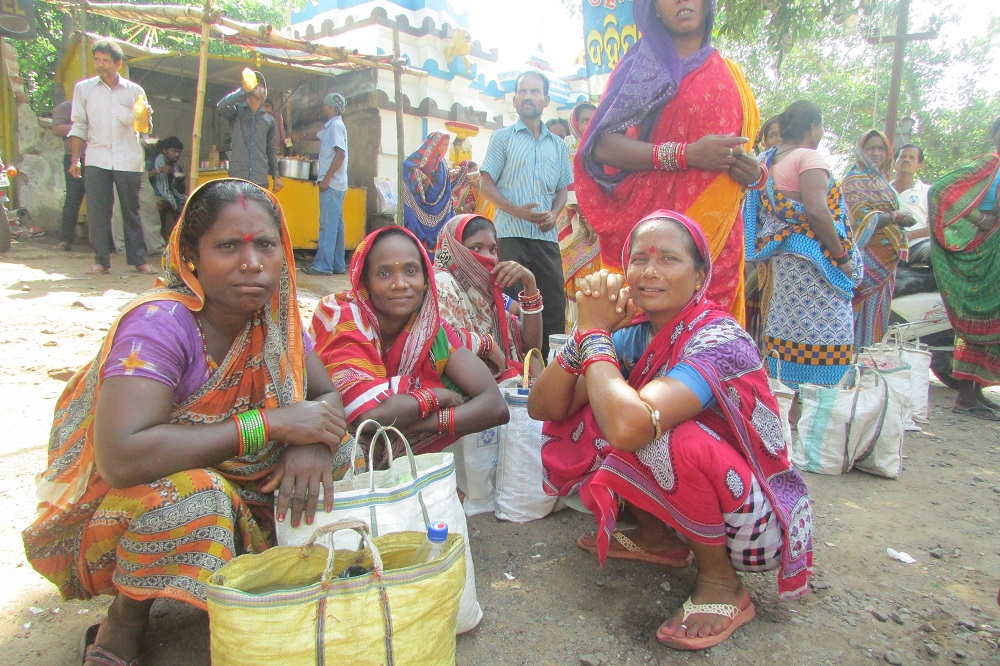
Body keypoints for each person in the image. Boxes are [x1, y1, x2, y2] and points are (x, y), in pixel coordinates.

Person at [22, 179, 354, 665]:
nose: (251, 263)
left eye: (266, 245)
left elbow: (325, 394)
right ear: (190, 256)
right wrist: (272, 425)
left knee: (343, 449)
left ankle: (258, 576)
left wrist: (311, 442)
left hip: (243, 483)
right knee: (197, 497)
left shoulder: (275, 319)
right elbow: (122, 456)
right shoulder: (160, 324)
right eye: (227, 246)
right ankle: (124, 623)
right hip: (131, 502)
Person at [529, 210, 813, 652]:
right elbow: (545, 406)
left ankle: (722, 583)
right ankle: (660, 539)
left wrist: (594, 336)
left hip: (754, 523)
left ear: (700, 276)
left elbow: (630, 427)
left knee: (658, 433)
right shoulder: (634, 335)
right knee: (596, 407)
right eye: (639, 259)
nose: (650, 272)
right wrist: (587, 336)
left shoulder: (718, 340)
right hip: (707, 498)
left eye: (668, 260)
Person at [574, 0, 761, 322]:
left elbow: (738, 150)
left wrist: (755, 172)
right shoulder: (644, 67)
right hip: (654, 230)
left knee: (710, 341)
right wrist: (685, 154)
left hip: (717, 240)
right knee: (642, 340)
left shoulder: (730, 74)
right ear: (654, 8)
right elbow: (601, 146)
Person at [310, 226, 510, 455]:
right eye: (384, 273)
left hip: (401, 446)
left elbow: (495, 406)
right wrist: (434, 396)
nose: (400, 284)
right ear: (365, 281)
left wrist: (418, 422)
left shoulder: (429, 328)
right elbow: (371, 414)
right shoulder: (341, 317)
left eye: (411, 271)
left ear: (426, 279)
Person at [743, 101, 860, 388]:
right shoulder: (808, 157)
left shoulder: (769, 160)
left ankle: (787, 397)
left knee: (788, 329)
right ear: (813, 127)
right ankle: (821, 397)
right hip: (816, 261)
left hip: (783, 258)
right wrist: (842, 256)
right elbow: (818, 212)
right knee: (829, 333)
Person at [480, 70, 573, 358]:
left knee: (553, 304)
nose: (528, 97)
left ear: (546, 100)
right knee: (511, 304)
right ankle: (514, 366)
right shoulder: (502, 138)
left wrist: (554, 214)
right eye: (522, 91)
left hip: (546, 238)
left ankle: (549, 369)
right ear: (515, 99)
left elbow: (562, 190)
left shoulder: (557, 145)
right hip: (509, 236)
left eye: (534, 92)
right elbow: (486, 184)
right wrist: (516, 210)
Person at [929, 116, 1000, 421]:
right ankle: (965, 396)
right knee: (977, 322)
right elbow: (941, 191)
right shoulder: (989, 164)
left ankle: (976, 393)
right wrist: (982, 221)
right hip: (985, 252)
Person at [68, 40, 157, 275]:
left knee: (131, 210)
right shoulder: (84, 89)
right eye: (97, 59)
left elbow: (145, 127)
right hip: (97, 157)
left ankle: (139, 260)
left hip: (128, 158)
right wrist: (75, 159)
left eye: (106, 61)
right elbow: (78, 125)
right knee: (99, 210)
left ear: (118, 63)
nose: (101, 65)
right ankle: (101, 260)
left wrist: (145, 117)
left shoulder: (134, 91)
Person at [434, 214, 543, 381]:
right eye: (476, 248)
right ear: (454, 249)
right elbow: (443, 342)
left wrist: (530, 285)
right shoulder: (441, 282)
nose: (488, 257)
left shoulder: (486, 293)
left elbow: (531, 345)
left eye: (492, 249)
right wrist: (487, 344)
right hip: (461, 387)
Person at [843, 130, 916, 349]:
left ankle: (869, 362)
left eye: (881, 148)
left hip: (887, 257)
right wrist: (895, 217)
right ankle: (852, 362)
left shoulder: (882, 182)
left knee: (878, 313)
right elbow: (858, 218)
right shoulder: (854, 180)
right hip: (866, 255)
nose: (876, 153)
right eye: (870, 148)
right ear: (861, 151)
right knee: (859, 307)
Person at [558, 101, 601, 330]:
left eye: (594, 120)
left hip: (597, 223)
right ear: (574, 124)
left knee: (593, 277)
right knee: (578, 278)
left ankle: (591, 328)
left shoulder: (598, 149)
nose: (590, 125)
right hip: (575, 224)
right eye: (585, 120)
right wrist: (588, 221)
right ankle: (576, 331)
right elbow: (572, 189)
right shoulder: (571, 148)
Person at [300, 92, 349, 276]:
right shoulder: (332, 127)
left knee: (328, 225)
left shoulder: (336, 126)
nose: (323, 108)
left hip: (332, 183)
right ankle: (337, 264)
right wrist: (298, 137)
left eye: (325, 105)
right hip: (338, 184)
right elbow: (317, 135)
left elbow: (340, 154)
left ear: (331, 107)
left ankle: (323, 266)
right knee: (336, 226)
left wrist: (327, 178)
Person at [217, 71, 284, 194]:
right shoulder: (237, 112)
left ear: (264, 93)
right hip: (238, 178)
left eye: (260, 85)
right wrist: (243, 90)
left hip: (259, 179)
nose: (257, 87)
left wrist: (276, 176)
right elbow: (221, 106)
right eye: (255, 84)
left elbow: (270, 150)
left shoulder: (269, 121)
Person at [402, 131, 454, 259]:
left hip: (441, 204)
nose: (445, 148)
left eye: (447, 145)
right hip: (422, 202)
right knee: (420, 231)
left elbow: (443, 179)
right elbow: (407, 166)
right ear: (434, 144)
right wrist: (423, 177)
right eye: (443, 145)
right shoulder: (420, 157)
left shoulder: (442, 162)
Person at [51, 99, 86, 251]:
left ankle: (106, 243)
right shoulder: (66, 107)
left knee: (100, 201)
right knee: (73, 198)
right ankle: (65, 240)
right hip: (73, 157)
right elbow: (57, 129)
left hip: (96, 158)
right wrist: (81, 128)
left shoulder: (94, 107)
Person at [892, 143, 931, 242]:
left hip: (918, 245)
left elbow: (937, 227)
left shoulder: (928, 192)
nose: (906, 160)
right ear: (894, 162)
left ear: (918, 166)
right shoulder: (882, 191)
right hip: (886, 246)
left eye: (912, 157)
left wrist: (908, 236)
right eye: (903, 156)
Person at [150, 136, 187, 240]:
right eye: (173, 151)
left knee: (187, 206)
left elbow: (180, 191)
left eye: (179, 152)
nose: (177, 155)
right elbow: (143, 176)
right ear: (164, 150)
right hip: (156, 195)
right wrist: (159, 170)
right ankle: (158, 238)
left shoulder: (177, 168)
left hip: (172, 197)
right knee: (159, 204)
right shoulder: (153, 162)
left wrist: (179, 181)